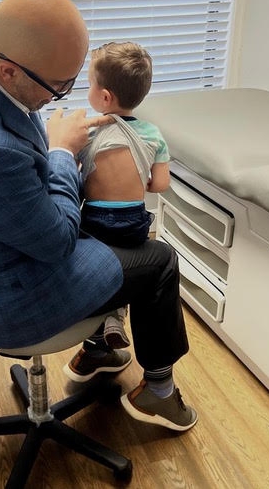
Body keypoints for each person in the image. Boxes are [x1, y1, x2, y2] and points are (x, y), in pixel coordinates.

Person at [0, 0, 197, 432]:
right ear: (9, 70)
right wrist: (62, 151)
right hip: (14, 297)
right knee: (158, 260)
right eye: (58, 87)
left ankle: (99, 352)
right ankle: (159, 392)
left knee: (110, 241)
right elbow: (60, 241)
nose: (59, 97)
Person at [77, 41, 171, 349]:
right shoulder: (153, 134)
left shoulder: (88, 133)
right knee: (129, 267)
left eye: (89, 84)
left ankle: (101, 325)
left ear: (105, 97)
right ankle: (116, 317)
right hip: (133, 222)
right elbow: (160, 184)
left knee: (101, 265)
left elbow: (73, 176)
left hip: (94, 221)